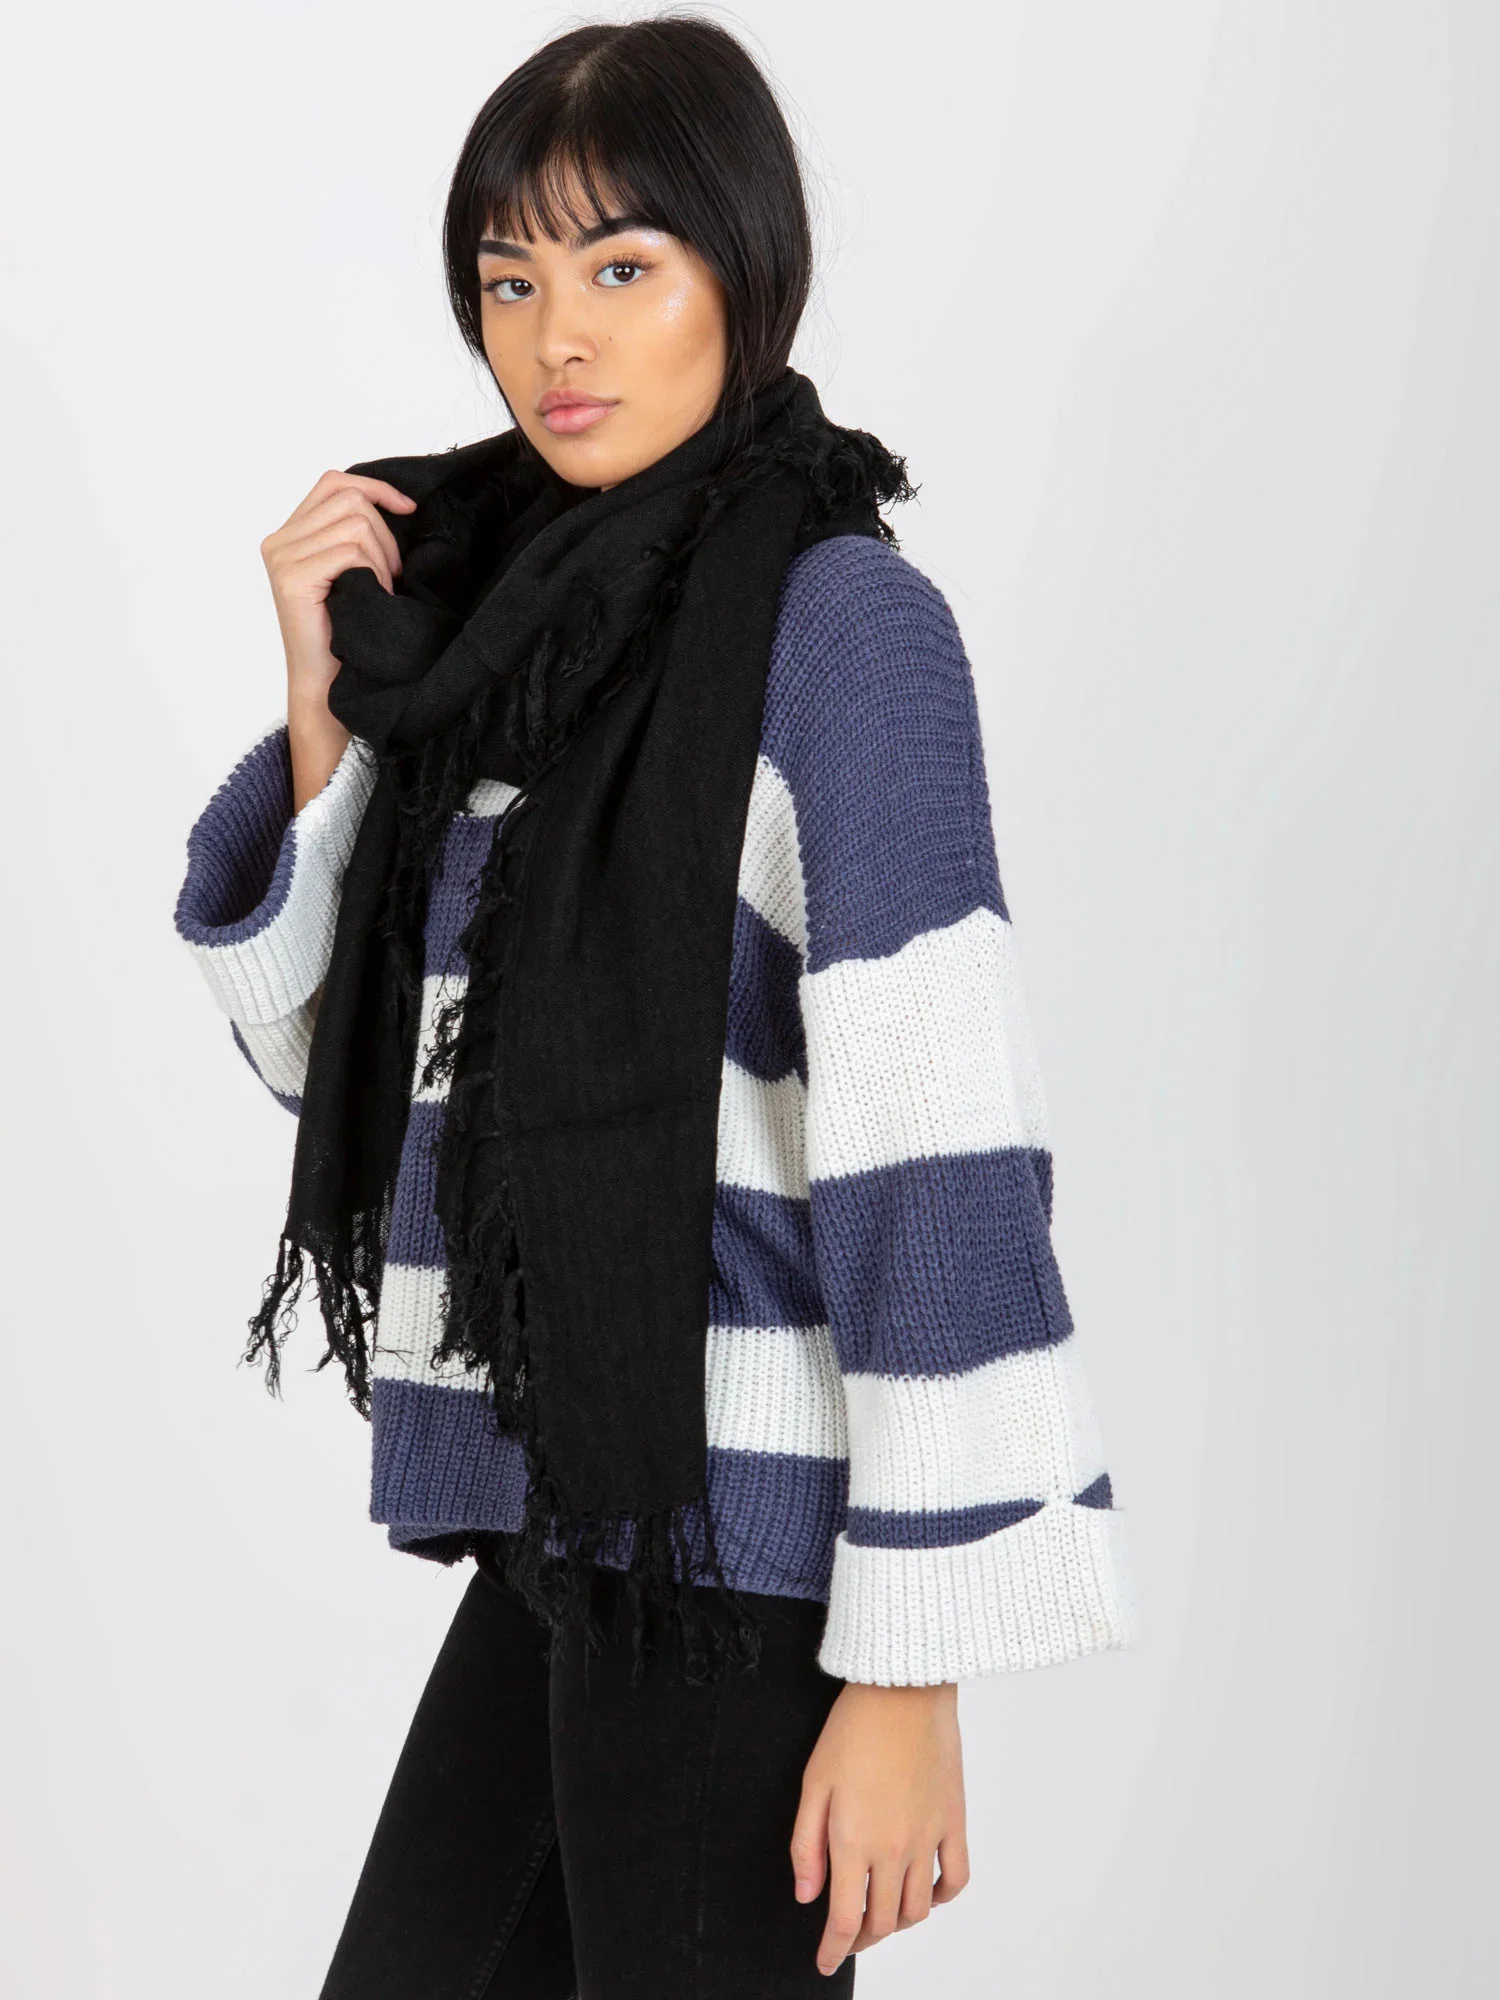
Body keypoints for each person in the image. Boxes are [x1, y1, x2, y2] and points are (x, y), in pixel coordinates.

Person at [173, 16, 1130, 1996]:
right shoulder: (496, 638)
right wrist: (327, 714)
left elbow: (938, 1144)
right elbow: (351, 1078)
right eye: (510, 280)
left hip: (748, 1569)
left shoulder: (842, 631)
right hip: (568, 1537)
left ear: (744, 273)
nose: (558, 338)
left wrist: (909, 1669)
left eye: (622, 266)